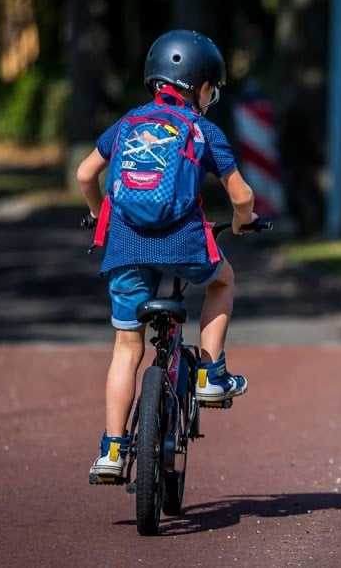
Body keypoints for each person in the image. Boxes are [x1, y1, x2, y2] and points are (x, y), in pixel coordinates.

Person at [77, 29, 258, 482]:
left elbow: (85, 174)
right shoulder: (203, 130)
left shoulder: (128, 122)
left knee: (126, 346)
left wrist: (101, 213)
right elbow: (242, 196)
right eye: (210, 88)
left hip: (125, 245)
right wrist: (242, 221)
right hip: (184, 244)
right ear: (198, 87)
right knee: (222, 280)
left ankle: (113, 450)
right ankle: (211, 374)